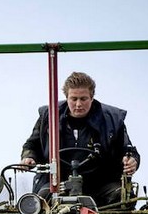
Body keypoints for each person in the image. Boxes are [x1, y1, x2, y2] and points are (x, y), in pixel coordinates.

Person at [20, 71, 140, 207]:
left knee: (124, 197)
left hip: (100, 183)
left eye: (83, 99)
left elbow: (127, 150)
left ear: (92, 97)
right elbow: (32, 145)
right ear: (66, 98)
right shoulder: (48, 117)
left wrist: (132, 161)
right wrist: (28, 157)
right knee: (40, 202)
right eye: (74, 99)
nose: (78, 104)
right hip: (57, 183)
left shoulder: (112, 120)